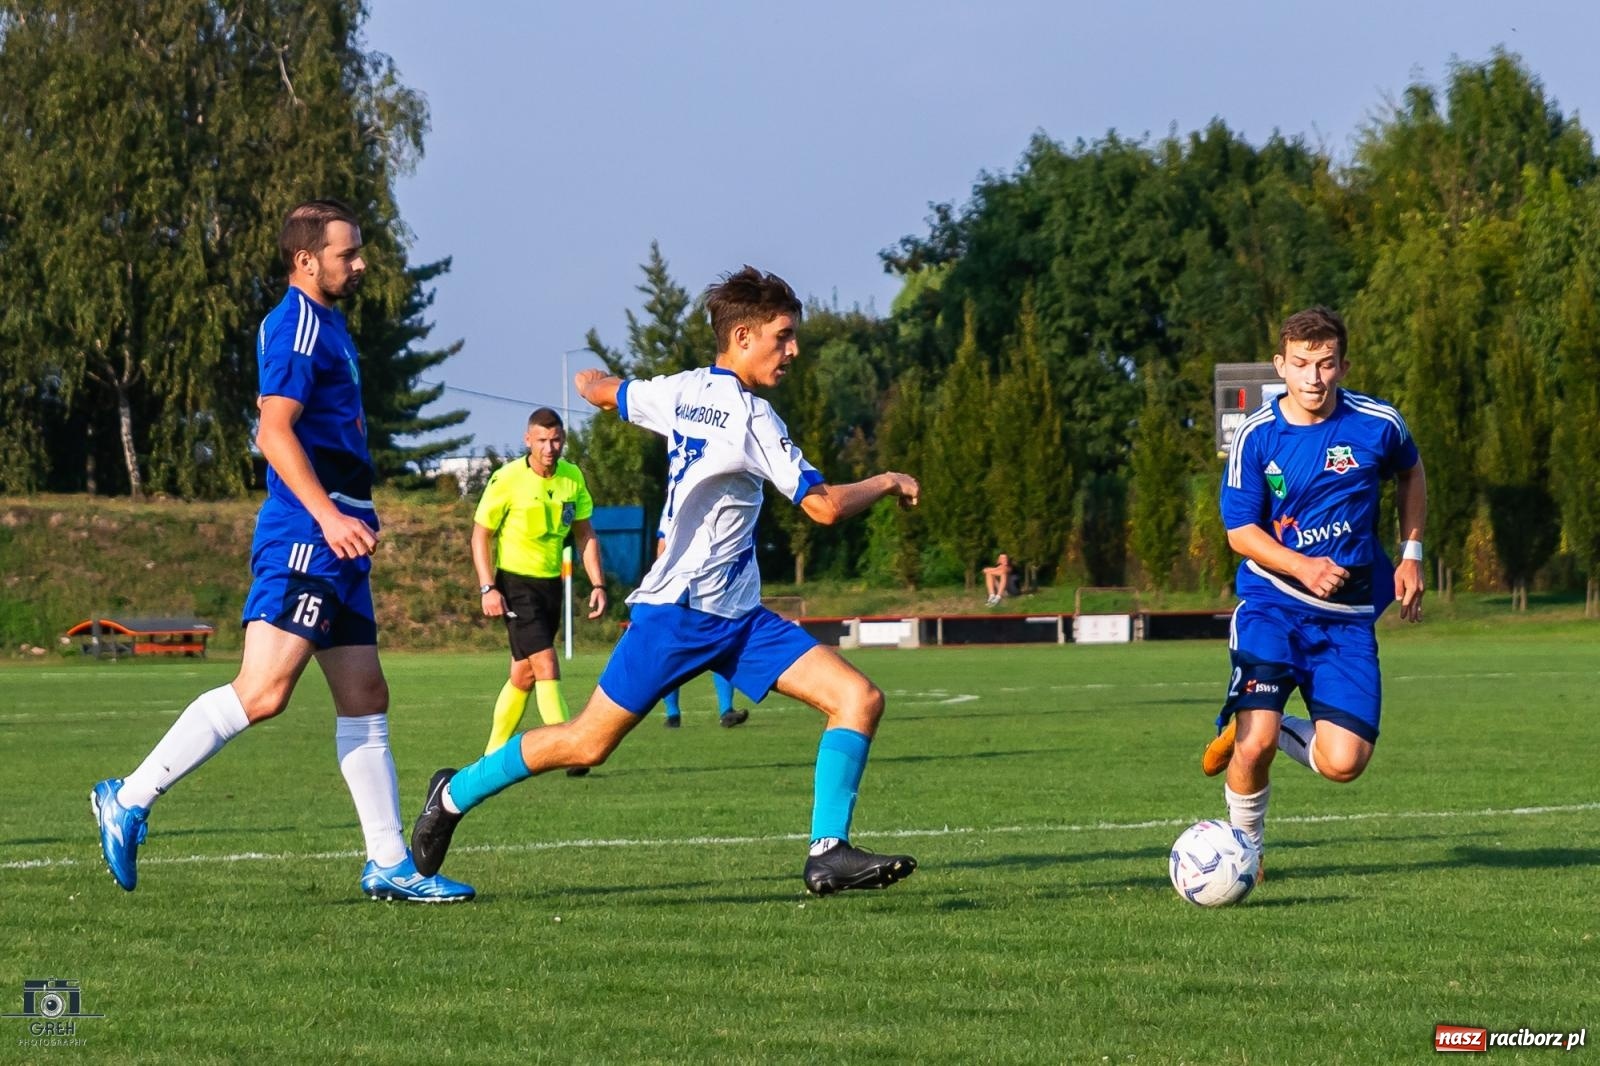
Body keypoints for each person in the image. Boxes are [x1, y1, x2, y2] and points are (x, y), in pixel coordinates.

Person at [409, 266, 921, 895]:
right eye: (783, 337)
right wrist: (888, 479)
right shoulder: (752, 417)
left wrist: (591, 382)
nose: (793, 351)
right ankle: (454, 793)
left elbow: (609, 394)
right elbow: (824, 507)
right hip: (678, 615)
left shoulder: (679, 391)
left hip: (739, 618)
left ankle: (827, 851)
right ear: (741, 335)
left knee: (859, 699)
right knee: (585, 743)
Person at [90, 199, 473, 902]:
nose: (360, 265)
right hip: (307, 536)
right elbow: (273, 432)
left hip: (339, 541)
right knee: (264, 692)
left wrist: (350, 520)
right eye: (347, 253)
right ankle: (131, 797)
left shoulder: (330, 324)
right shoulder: (296, 324)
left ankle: (388, 862)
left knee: (365, 694)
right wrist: (328, 517)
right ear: (306, 260)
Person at [1201, 306, 1426, 872]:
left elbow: (1411, 472)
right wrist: (1301, 567)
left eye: (1325, 364)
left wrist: (1411, 553)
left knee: (1344, 762)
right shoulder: (1257, 437)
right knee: (1250, 742)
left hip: (1347, 619)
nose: (1314, 377)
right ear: (1281, 365)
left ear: (1343, 365)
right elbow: (1240, 532)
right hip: (1272, 608)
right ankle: (1245, 853)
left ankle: (1273, 730)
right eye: (1301, 364)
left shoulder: (1378, 423)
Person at [472, 407, 607, 772]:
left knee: (524, 674)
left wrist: (597, 583)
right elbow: (480, 534)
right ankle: (570, 748)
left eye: (556, 440)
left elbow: (584, 533)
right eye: (542, 440)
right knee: (546, 663)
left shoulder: (571, 477)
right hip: (515, 583)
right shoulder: (507, 479)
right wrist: (488, 587)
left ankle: (491, 755)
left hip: (551, 585)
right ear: (527, 440)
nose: (550, 448)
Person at [652, 522, 747, 728]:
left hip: (711, 587)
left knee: (722, 645)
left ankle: (726, 710)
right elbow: (663, 545)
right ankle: (673, 714)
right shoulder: (679, 498)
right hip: (680, 589)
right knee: (672, 649)